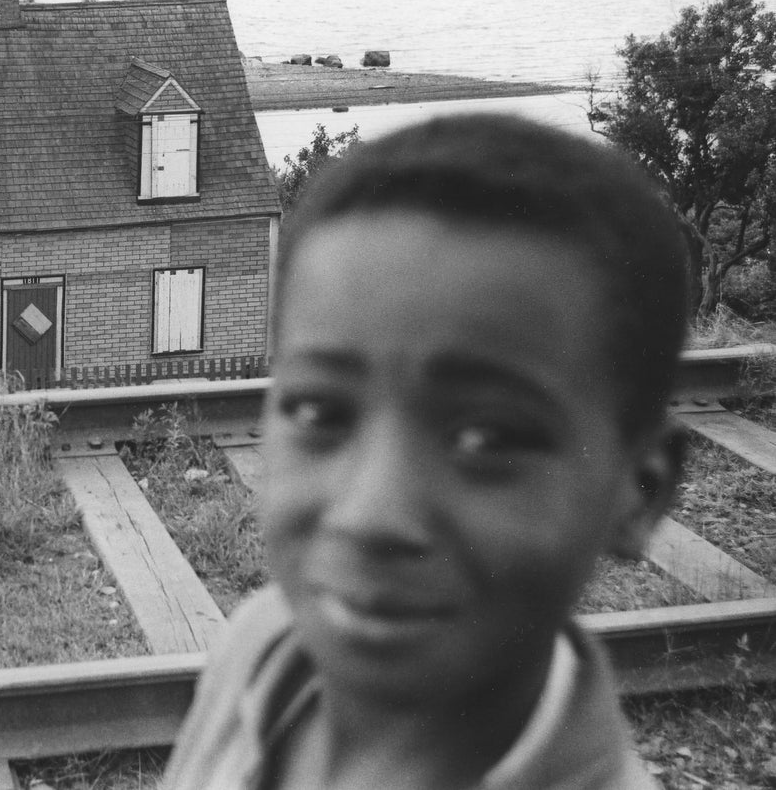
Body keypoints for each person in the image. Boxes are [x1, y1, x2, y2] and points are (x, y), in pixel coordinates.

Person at [163, 114, 688, 790]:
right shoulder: (264, 646)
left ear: (640, 491)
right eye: (321, 411)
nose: (370, 515)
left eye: (488, 438)